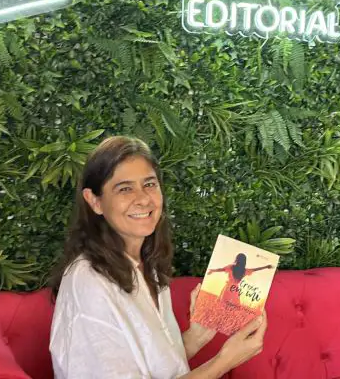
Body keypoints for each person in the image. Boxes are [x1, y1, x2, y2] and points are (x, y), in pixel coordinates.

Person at [48, 136, 268, 378]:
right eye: (125, 189)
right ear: (95, 201)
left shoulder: (147, 265)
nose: (143, 198)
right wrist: (225, 361)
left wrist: (198, 335)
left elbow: (157, 367)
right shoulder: (88, 279)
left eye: (150, 184)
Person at [206, 254, 274, 309]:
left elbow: (221, 269)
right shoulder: (244, 271)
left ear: (237, 259)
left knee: (223, 304)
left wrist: (212, 270)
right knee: (233, 306)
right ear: (244, 262)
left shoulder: (231, 267)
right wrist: (266, 267)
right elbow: (255, 269)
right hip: (235, 289)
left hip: (228, 287)